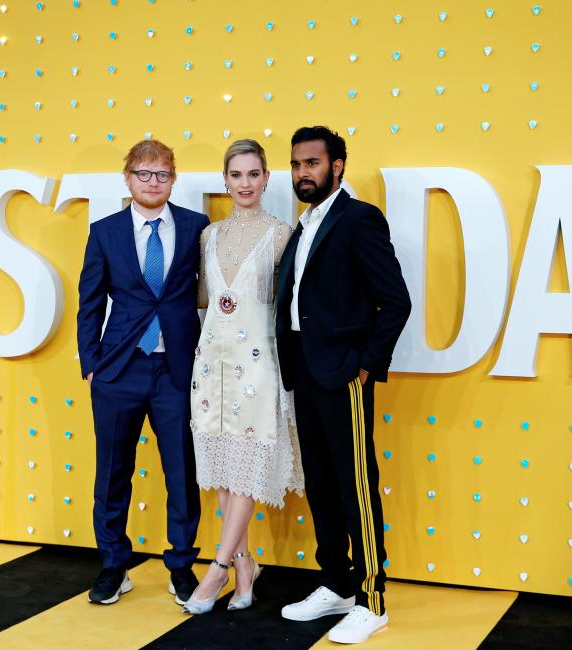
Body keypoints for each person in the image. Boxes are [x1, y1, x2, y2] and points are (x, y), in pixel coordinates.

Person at [275, 126, 411, 644]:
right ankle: (336, 583)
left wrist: (366, 364)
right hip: (305, 374)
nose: (302, 173)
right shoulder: (303, 225)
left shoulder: (358, 219)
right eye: (296, 164)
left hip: (343, 374)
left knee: (355, 485)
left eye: (311, 163)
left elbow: (395, 300)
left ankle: (373, 599)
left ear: (337, 167)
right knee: (321, 484)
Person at [77, 139, 209, 607]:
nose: (153, 183)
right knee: (112, 472)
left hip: (177, 369)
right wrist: (90, 364)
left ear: (174, 179)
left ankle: (181, 567)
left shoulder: (197, 227)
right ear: (128, 178)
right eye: (144, 174)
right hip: (119, 369)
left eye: (163, 175)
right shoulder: (105, 232)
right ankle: (113, 565)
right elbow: (90, 302)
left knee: (181, 471)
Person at [183, 139, 304, 615]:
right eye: (237, 175)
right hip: (211, 368)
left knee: (247, 472)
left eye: (254, 174)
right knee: (223, 473)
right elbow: (202, 300)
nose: (246, 184)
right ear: (225, 180)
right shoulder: (209, 237)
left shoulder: (281, 235)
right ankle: (245, 564)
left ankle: (217, 569)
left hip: (259, 369)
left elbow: (287, 306)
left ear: (266, 178)